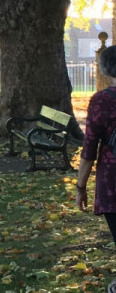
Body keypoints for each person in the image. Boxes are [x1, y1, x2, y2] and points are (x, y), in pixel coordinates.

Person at [76, 44, 116, 257]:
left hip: (113, 180)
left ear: (105, 69)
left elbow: (89, 150)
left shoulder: (102, 101)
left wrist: (80, 187)